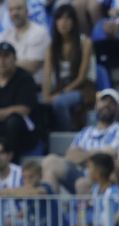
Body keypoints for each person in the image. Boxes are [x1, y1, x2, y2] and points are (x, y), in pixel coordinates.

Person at [42, 4, 95, 132]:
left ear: (74, 22)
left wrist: (62, 93)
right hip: (60, 87)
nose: (63, 22)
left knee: (60, 102)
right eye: (59, 19)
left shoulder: (85, 43)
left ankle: (66, 133)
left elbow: (82, 77)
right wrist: (46, 96)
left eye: (67, 18)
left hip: (82, 88)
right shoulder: (51, 46)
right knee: (38, 102)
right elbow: (47, 74)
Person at [0, 41, 39, 161]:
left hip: (23, 129)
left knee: (14, 121)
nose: (2, 61)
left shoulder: (24, 78)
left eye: (6, 56)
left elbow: (24, 109)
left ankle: (12, 161)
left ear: (15, 59)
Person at [0, 0, 49, 78]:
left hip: (33, 84)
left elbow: (31, 66)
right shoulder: (6, 34)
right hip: (9, 83)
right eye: (11, 10)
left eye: (18, 8)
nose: (14, 13)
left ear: (27, 11)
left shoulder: (39, 32)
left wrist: (5, 63)